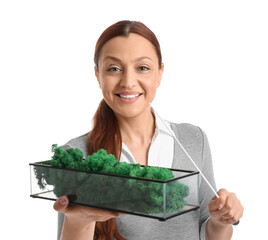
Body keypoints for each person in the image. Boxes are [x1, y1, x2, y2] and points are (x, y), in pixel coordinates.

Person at [53, 20, 243, 240]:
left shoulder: (194, 140)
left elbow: (206, 229)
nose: (128, 82)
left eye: (142, 68)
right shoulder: (75, 157)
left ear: (160, 73)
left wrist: (220, 221)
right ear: (98, 75)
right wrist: (80, 220)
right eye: (114, 69)